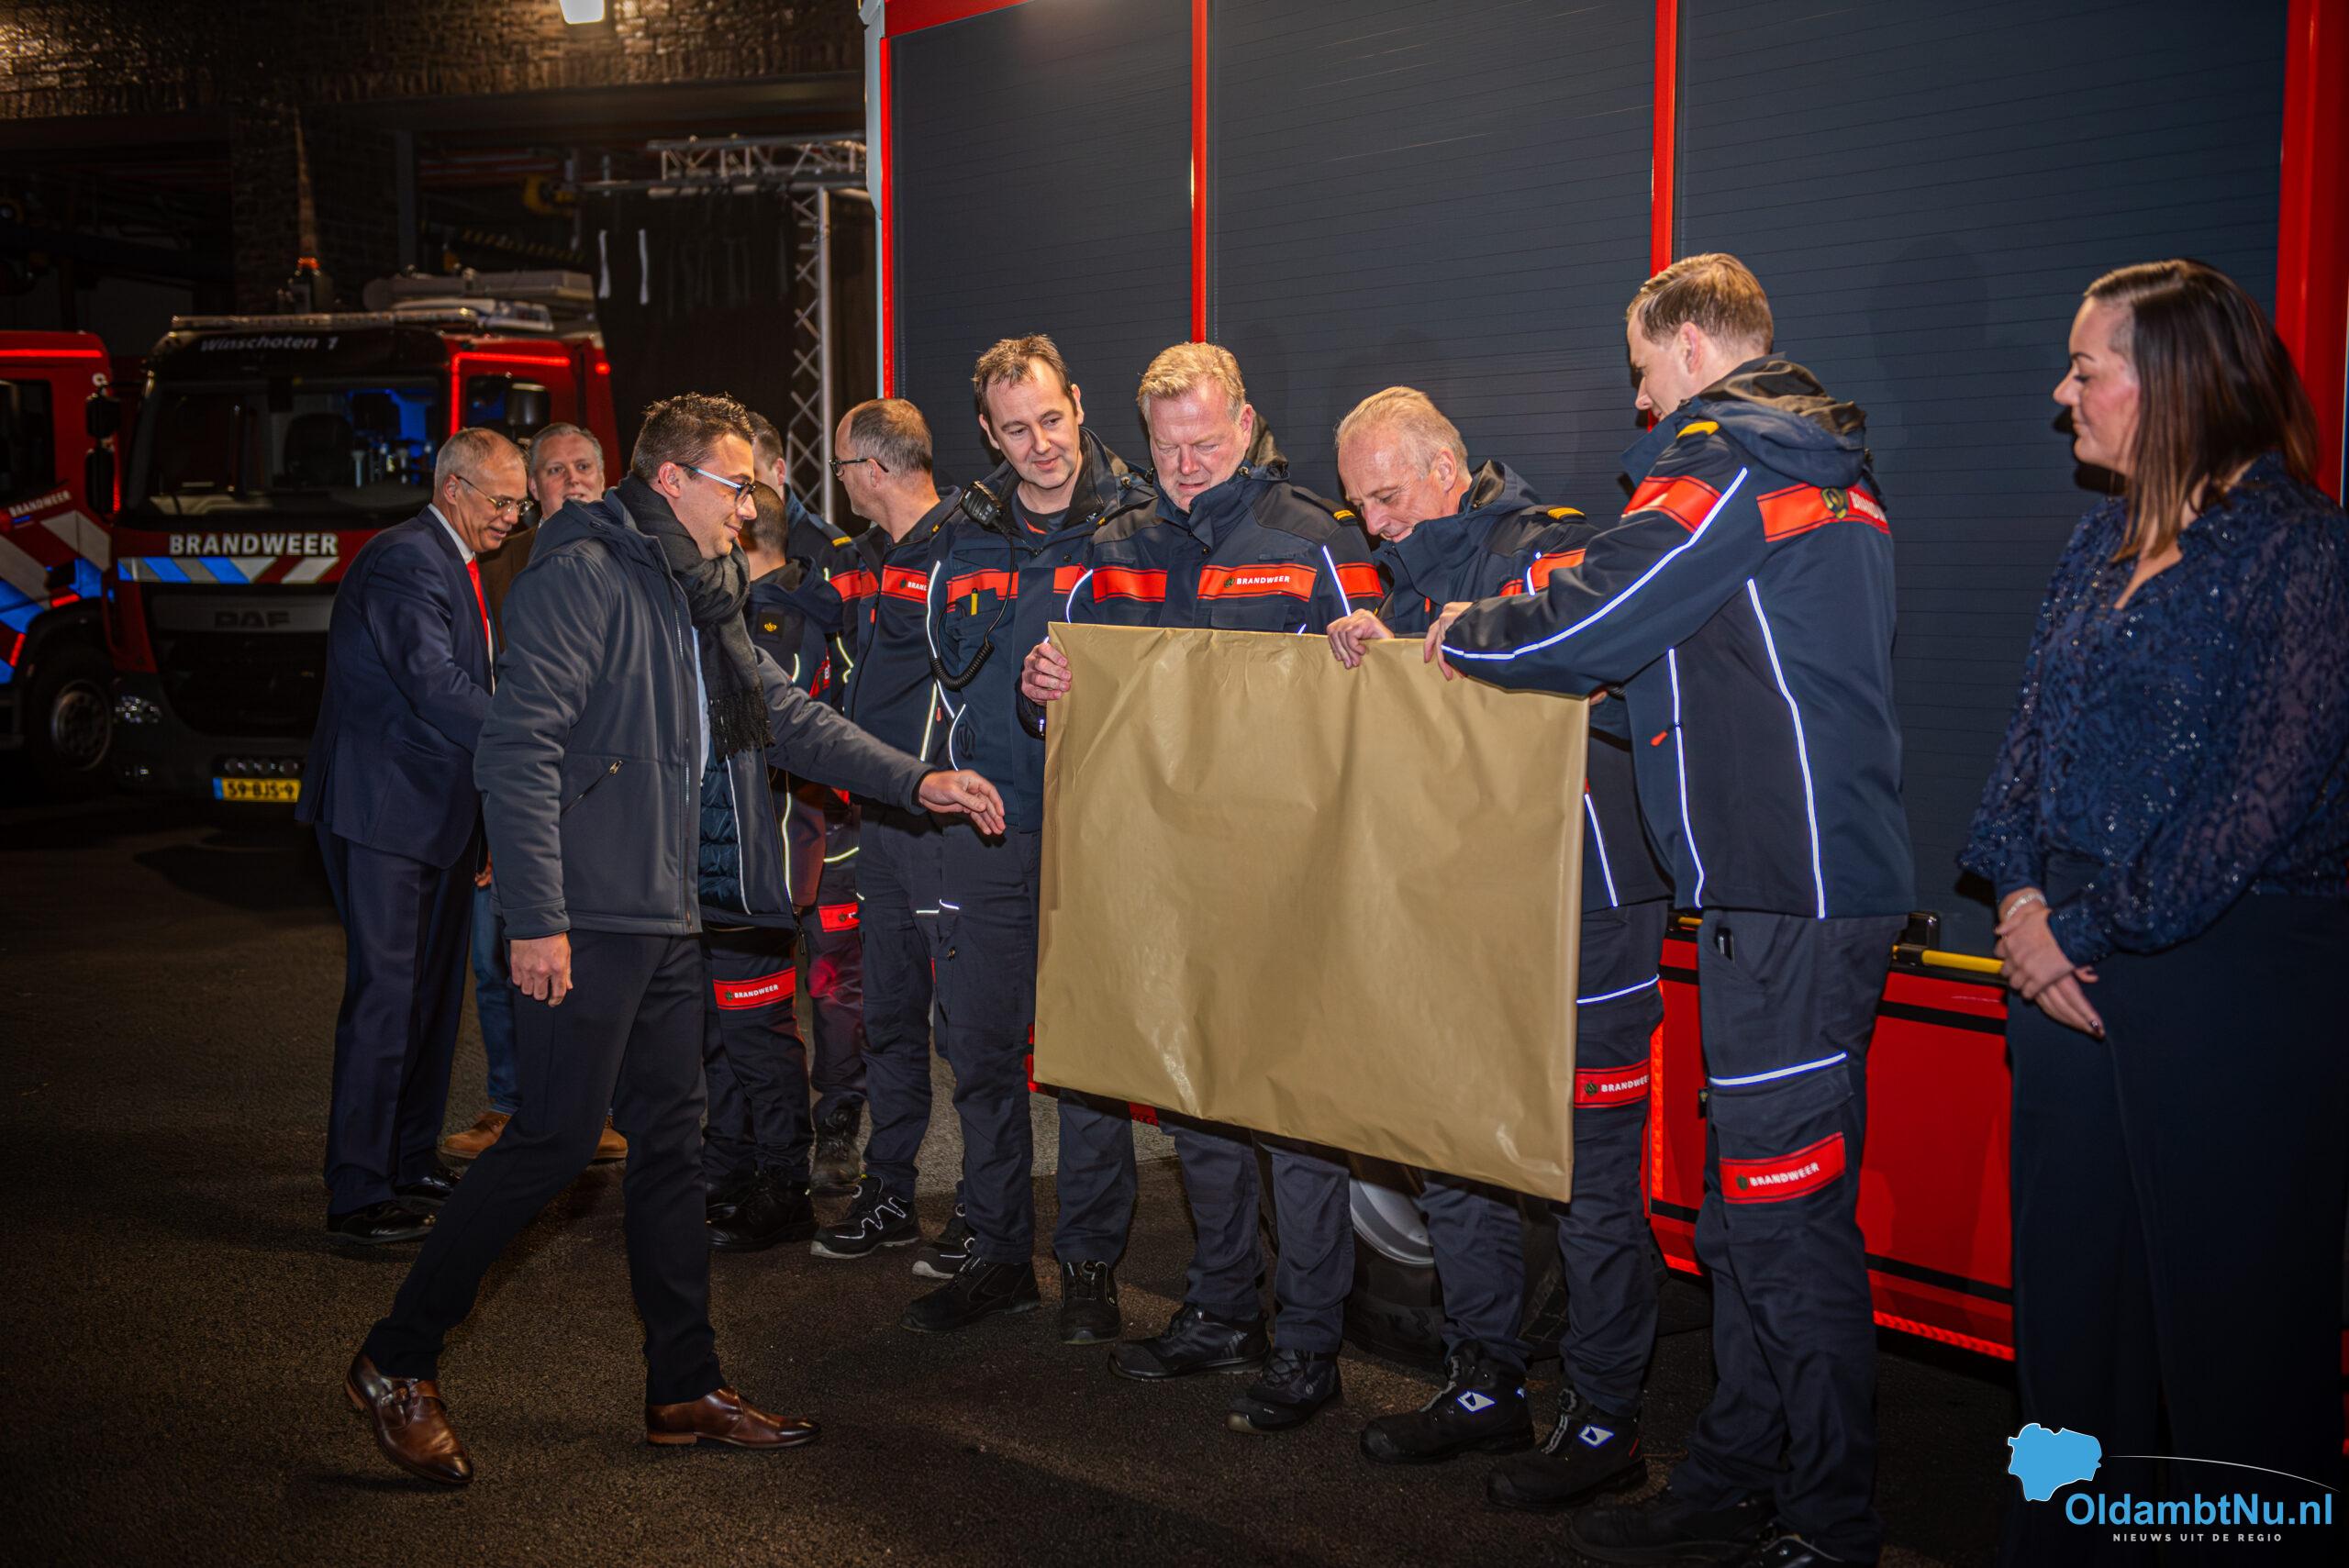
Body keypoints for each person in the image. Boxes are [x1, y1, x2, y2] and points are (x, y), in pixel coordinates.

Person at [343, 393, 1006, 1487]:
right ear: (671, 481)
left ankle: (682, 1385)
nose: (749, 507)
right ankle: (396, 1359)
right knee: (553, 1142)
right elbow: (518, 747)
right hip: (590, 910)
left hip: (665, 908)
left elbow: (786, 715)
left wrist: (918, 779)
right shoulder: (582, 573)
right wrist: (539, 916)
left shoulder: (699, 587)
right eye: (735, 486)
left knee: (668, 1148)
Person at [1430, 254, 1912, 1568]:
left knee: (1784, 1224)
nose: (1640, 400)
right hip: (1793, 892)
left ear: (1692, 346)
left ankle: (1828, 1522)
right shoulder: (1818, 462)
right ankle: (1734, 1481)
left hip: (1786, 894)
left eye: (1643, 370)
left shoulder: (1733, 458)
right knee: (1748, 1214)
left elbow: (1593, 617)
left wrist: (1463, 631)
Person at [1960, 260, 2349, 1568]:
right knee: (2068, 1345)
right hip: (2066, 990)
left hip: (2237, 1001)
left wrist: (2078, 933)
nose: (2061, 391)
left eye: (2087, 368)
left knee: (2238, 1358)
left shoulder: (2302, 550)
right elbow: (2022, 755)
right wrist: (2023, 899)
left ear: (2171, 380)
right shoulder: (2097, 544)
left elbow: (2258, 800)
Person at [1020, 341, 1380, 1435]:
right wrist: (1045, 688)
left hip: (1288, 876)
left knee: (1296, 1116)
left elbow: (1383, 703)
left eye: (1206, 442)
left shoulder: (1315, 539)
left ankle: (1309, 1341)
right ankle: (1224, 1309)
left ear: (1247, 423)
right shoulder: (1109, 545)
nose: (1185, 465)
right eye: (1167, 446)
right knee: (1200, 1098)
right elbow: (1062, 697)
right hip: (1167, 875)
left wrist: (1371, 651)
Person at [1323, 388, 1672, 1507]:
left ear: (1445, 468)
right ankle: (1485, 1383)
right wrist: (1368, 656)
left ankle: (1606, 1416)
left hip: (1586, 906)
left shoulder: (1556, 549)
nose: (1373, 522)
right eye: (1359, 504)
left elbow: (1601, 680)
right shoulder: (1401, 581)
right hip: (1455, 906)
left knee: (1589, 1176)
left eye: (1386, 496)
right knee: (1453, 1147)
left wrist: (1454, 643)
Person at [904, 335, 1146, 1339]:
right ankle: (1000, 1251)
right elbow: (933, 673)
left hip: (1100, 832)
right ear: (988, 434)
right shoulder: (960, 536)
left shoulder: (1140, 526)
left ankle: (1089, 1263)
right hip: (989, 828)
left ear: (1078, 403)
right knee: (981, 1050)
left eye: (1051, 418)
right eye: (1016, 429)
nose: (1041, 444)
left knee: (1089, 1058)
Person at [300, 426, 523, 1245]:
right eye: (502, 501)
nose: (512, 517)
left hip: (439, 815)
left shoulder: (459, 561)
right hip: (384, 814)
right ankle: (359, 1188)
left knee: (430, 998)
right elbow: (436, 685)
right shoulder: (405, 559)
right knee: (387, 997)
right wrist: (530, 742)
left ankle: (407, 1158)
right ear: (452, 487)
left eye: (520, 504)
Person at [807, 398, 970, 1267]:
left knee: (967, 1033)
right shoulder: (864, 559)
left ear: (871, 470)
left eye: (841, 467)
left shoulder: (967, 548)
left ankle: (984, 1212)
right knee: (891, 1019)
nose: (837, 483)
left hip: (949, 831)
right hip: (880, 825)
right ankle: (892, 1194)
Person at [440, 421, 626, 1167]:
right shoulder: (498, 565)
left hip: (602, 801)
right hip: (518, 793)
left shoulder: (637, 556)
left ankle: (596, 1111)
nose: (573, 480)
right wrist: (493, 814)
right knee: (496, 959)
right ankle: (510, 1104)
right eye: (555, 470)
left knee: (597, 964)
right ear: (529, 490)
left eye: (585, 467)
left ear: (606, 478)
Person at [697, 482, 848, 1252]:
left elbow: (764, 740)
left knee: (758, 1033)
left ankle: (785, 1187)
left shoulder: (781, 622)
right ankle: (728, 1167)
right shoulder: (729, 614)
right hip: (726, 864)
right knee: (723, 1033)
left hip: (767, 865)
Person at [748, 411, 869, 1196]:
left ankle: (838, 1123)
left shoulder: (837, 564)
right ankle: (766, 1135)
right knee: (755, 992)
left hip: (832, 828)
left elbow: (859, 697)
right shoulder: (703, 587)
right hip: (752, 833)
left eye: (749, 472)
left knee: (835, 988)